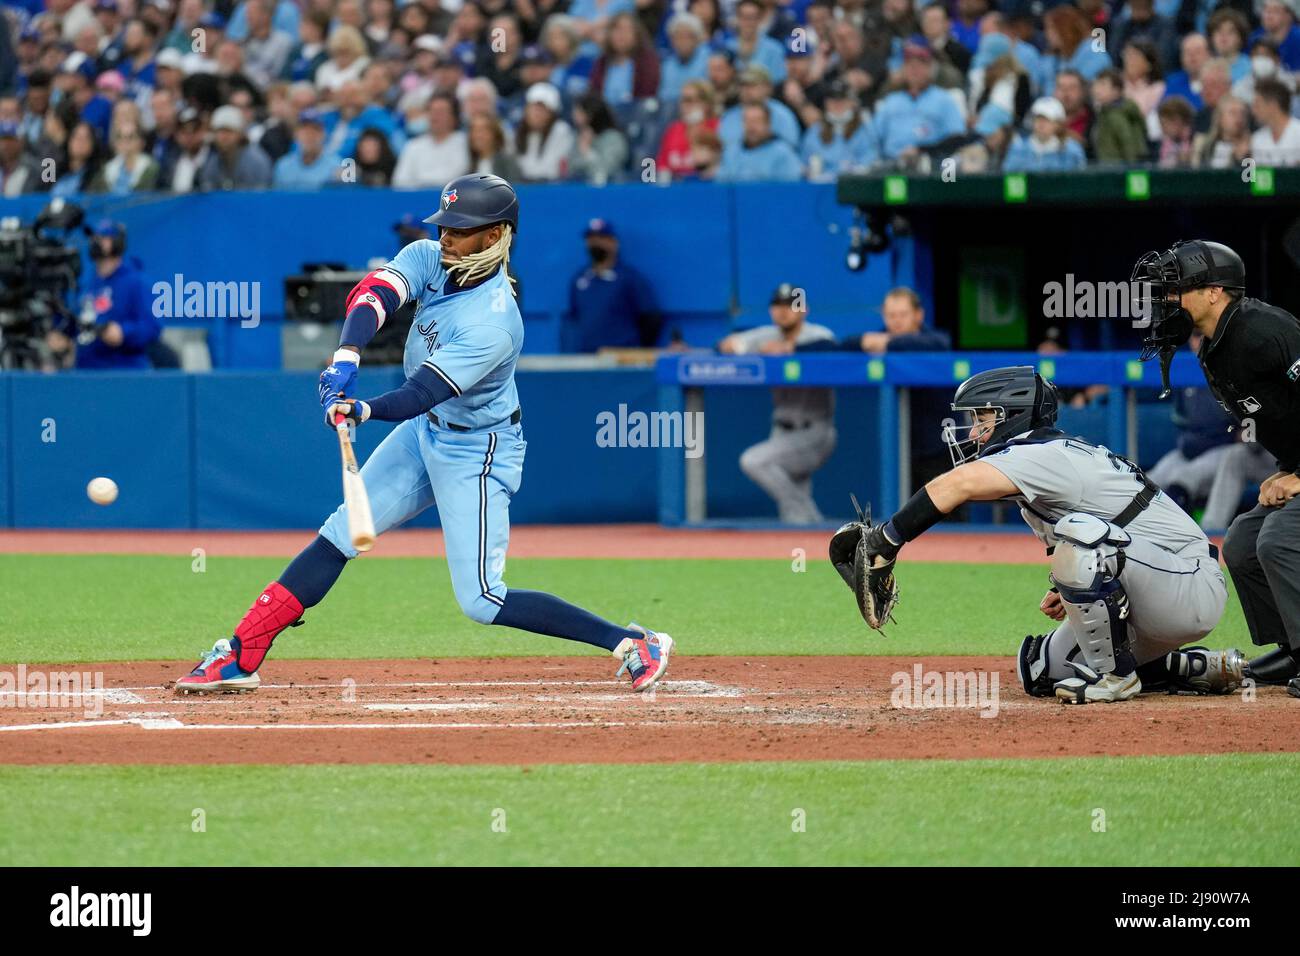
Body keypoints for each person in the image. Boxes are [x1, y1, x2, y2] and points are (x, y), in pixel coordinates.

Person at [176, 174, 675, 696]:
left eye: (460, 231)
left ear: (494, 236)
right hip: (424, 434)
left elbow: (422, 392)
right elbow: (374, 295)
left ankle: (632, 642)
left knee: (482, 600)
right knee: (343, 531)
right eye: (445, 226)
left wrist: (362, 409)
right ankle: (243, 651)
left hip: (477, 450)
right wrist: (347, 356)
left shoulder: (496, 321)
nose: (446, 238)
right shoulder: (431, 256)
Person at [830, 366, 1243, 703]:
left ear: (1013, 415)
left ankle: (1117, 679)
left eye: (982, 418)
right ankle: (1195, 668)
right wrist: (1080, 587)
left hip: (1189, 584)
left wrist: (886, 541)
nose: (973, 432)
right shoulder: (1044, 456)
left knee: (1080, 542)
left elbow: (953, 487)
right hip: (1159, 582)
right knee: (1039, 671)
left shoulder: (1039, 453)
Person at [1132, 241, 1300, 696]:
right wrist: (1285, 467)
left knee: (1279, 539)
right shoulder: (1213, 347)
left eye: (1176, 291)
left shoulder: (1265, 330)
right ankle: (1293, 651)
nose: (1167, 303)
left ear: (1214, 293)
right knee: (1243, 541)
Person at [718, 284, 837, 525]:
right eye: (778, 305)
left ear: (803, 309)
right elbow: (725, 345)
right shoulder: (767, 335)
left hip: (815, 430)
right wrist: (747, 348)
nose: (783, 311)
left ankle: (814, 521)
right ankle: (812, 535)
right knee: (793, 518)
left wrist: (790, 349)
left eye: (790, 305)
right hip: (781, 431)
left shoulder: (817, 335)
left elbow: (834, 348)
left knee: (754, 461)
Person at [49, 220, 161, 370]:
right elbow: (76, 321)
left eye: (103, 238)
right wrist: (62, 335)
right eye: (94, 238)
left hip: (125, 371)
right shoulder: (85, 284)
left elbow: (152, 326)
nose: (96, 242)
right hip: (86, 371)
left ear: (118, 242)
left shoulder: (137, 282)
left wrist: (124, 332)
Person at [563, 218, 660, 352]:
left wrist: (637, 351)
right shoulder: (579, 279)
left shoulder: (629, 278)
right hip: (587, 359)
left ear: (614, 242)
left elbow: (651, 318)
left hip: (620, 360)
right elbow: (574, 320)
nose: (595, 243)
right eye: (590, 238)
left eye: (601, 237)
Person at [392, 93, 470, 188]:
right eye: (431, 111)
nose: (434, 116)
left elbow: (457, 175)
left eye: (441, 112)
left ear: (454, 117)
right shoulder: (412, 146)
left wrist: (421, 183)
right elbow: (400, 181)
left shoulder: (465, 142)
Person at [716, 101, 803, 181]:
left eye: (756, 121)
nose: (751, 127)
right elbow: (723, 185)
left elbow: (790, 191)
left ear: (768, 124)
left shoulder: (783, 154)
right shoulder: (731, 152)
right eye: (747, 121)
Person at [1002, 96, 1087, 171]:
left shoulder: (1071, 150)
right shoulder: (1018, 148)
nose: (1041, 124)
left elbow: (1079, 181)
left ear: (1058, 124)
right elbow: (1010, 179)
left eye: (1047, 120)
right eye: (1038, 118)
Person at [199, 104, 273, 190]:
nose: (224, 137)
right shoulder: (212, 163)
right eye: (219, 131)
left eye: (229, 131)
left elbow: (261, 197)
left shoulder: (257, 161)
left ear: (240, 134)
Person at [272, 109, 340, 189]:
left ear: (323, 134)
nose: (309, 135)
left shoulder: (337, 166)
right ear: (295, 134)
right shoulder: (283, 166)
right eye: (304, 130)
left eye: (315, 130)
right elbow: (277, 199)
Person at [1250, 77, 1300, 165]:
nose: (1253, 111)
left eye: (1257, 105)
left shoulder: (1298, 133)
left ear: (1272, 105)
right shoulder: (1257, 139)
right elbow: (1256, 177)